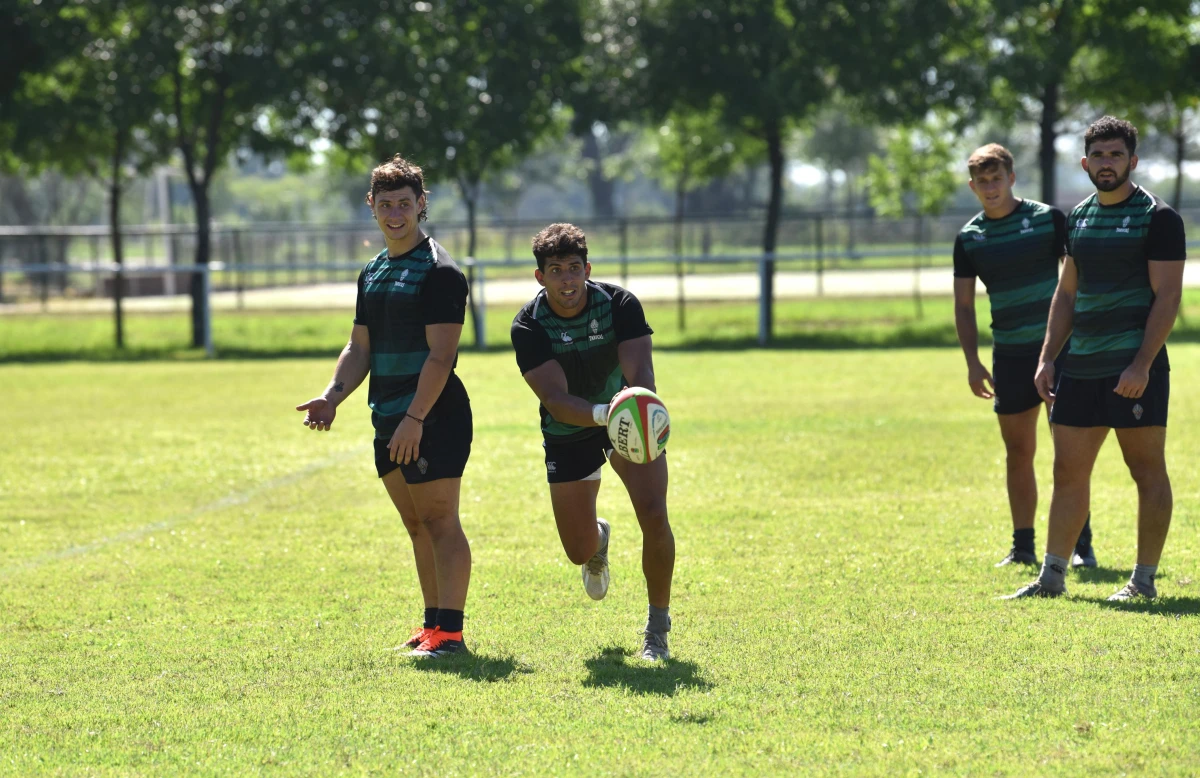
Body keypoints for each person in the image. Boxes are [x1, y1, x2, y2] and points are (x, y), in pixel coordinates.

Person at [296, 154, 475, 655]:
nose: (395, 213)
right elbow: (360, 347)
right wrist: (332, 397)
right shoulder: (373, 270)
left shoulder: (439, 271)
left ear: (422, 205)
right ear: (371, 207)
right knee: (416, 524)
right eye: (385, 204)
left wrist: (415, 418)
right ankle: (432, 625)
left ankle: (451, 634)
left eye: (405, 203)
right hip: (387, 415)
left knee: (441, 521)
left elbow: (442, 355)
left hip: (431, 414)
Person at [1005, 116, 1187, 601]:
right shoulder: (1080, 216)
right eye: (1099, 155)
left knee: (1146, 471)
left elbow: (1168, 298)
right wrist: (1047, 359)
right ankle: (1051, 577)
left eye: (1116, 154)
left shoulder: (1158, 216)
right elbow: (1066, 295)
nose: (1107, 163)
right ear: (1085, 162)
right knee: (1067, 473)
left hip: (1133, 369)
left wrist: (1142, 364)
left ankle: (1143, 581)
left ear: (1133, 160)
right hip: (1080, 366)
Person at [510, 223, 676, 661]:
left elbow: (642, 376)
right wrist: (606, 414)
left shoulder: (619, 304)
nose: (567, 279)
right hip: (570, 427)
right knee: (577, 550)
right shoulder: (528, 325)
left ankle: (657, 630)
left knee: (655, 516)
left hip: (628, 418)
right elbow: (556, 399)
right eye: (556, 269)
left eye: (574, 268)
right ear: (540, 276)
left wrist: (639, 411)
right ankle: (598, 542)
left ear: (588, 268)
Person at [952, 143, 1096, 568]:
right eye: (982, 181)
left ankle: (1080, 545)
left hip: (1059, 351)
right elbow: (963, 306)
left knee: (1069, 454)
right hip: (1010, 357)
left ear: (1011, 178)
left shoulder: (1048, 219)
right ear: (972, 185)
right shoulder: (969, 238)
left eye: (997, 179)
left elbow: (1076, 281)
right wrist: (972, 362)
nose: (990, 187)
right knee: (1019, 452)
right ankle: (1023, 546)